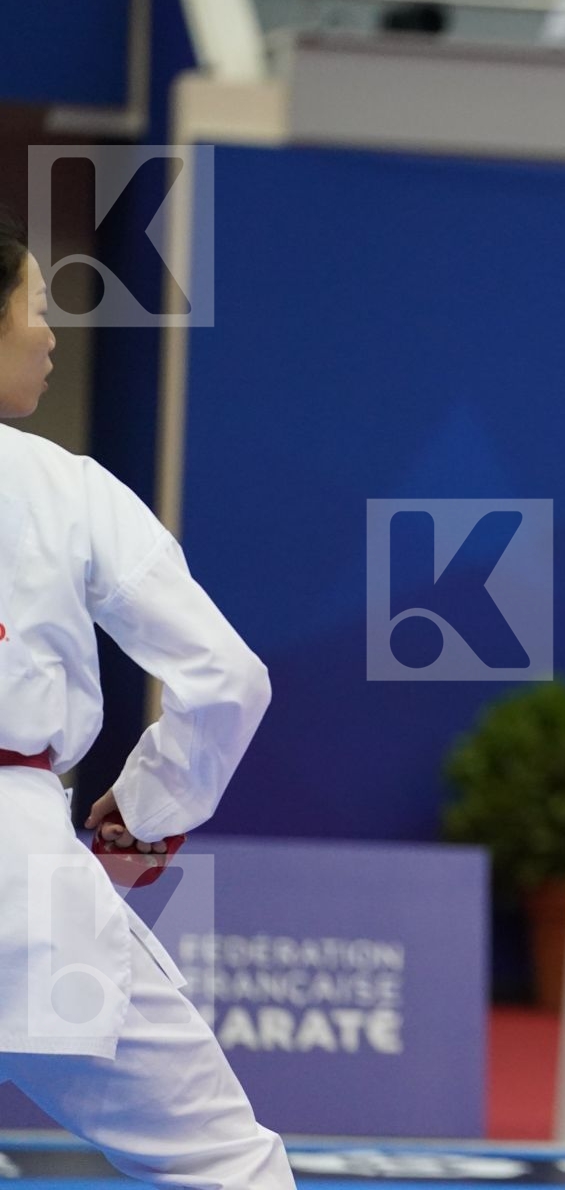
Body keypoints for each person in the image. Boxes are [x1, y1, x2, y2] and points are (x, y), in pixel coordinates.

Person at [0, 209, 295, 1186]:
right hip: (22, 891)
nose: (50, 335)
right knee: (226, 1166)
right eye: (34, 306)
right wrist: (148, 809)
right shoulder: (63, 489)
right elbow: (226, 677)